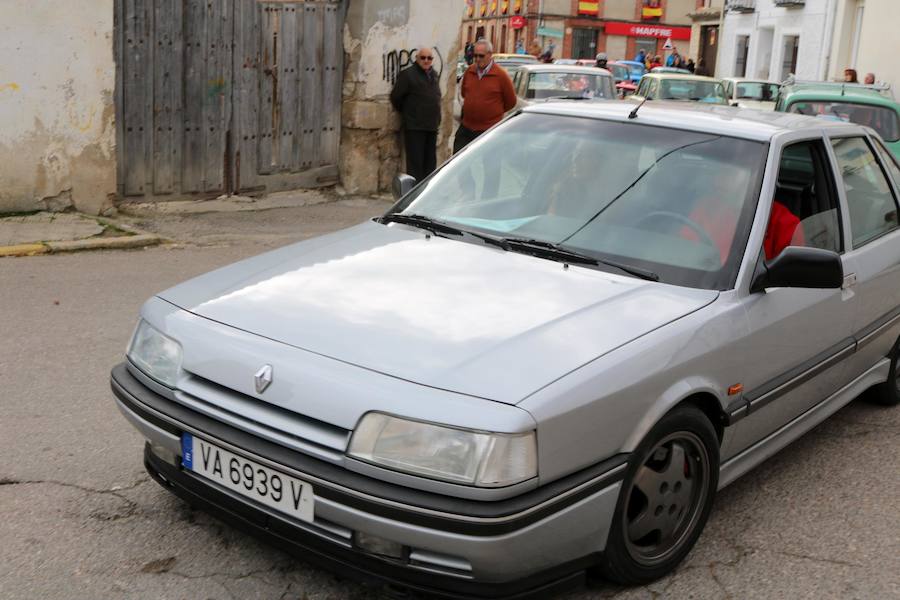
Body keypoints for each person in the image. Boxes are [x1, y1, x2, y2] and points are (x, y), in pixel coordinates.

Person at [454, 39, 517, 154]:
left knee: (490, 165)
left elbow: (511, 101)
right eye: (475, 56)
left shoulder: (501, 75)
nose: (477, 59)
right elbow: (464, 93)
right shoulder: (469, 71)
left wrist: (492, 112)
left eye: (481, 56)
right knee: (458, 161)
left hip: (489, 130)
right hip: (467, 127)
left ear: (489, 55)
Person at [390, 46, 442, 182]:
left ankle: (426, 191)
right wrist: (409, 113)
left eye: (429, 58)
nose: (426, 60)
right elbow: (396, 97)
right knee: (415, 164)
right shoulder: (408, 74)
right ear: (417, 59)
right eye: (423, 58)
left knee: (430, 163)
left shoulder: (434, 74)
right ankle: (413, 194)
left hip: (431, 126)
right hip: (415, 126)